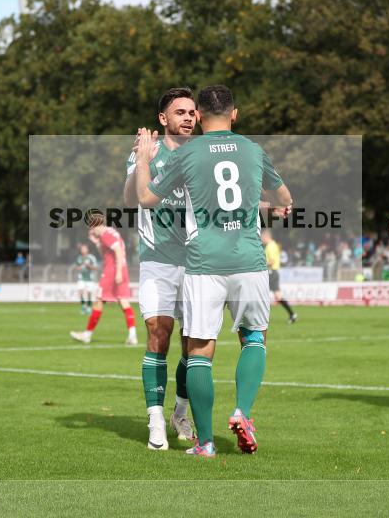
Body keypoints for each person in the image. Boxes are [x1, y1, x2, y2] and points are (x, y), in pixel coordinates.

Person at [135, 84, 292, 458]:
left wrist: (143, 161)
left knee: (199, 350)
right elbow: (285, 200)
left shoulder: (188, 154)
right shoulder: (253, 151)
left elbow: (145, 199)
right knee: (254, 337)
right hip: (249, 260)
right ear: (234, 114)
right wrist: (269, 205)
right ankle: (242, 412)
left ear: (200, 116)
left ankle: (205, 443)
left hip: (203, 263)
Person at [123, 87, 197, 450]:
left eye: (192, 112)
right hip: (156, 261)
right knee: (159, 333)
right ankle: (155, 420)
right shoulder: (147, 152)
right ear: (163, 119)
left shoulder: (203, 156)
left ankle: (180, 412)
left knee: (192, 346)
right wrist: (141, 162)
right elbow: (129, 199)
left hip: (198, 263)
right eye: (180, 112)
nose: (188, 117)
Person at [70, 212, 138, 345]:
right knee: (123, 301)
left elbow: (118, 251)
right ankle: (132, 335)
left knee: (99, 300)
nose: (91, 230)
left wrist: (117, 272)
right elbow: (107, 253)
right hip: (122, 269)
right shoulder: (110, 233)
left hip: (112, 270)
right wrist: (97, 243)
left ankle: (87, 335)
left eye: (92, 226)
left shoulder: (105, 234)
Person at [261, 230, 297, 323]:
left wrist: (260, 265)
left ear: (266, 236)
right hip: (273, 272)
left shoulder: (271, 246)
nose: (261, 239)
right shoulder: (272, 245)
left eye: (262, 237)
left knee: (260, 294)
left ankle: (259, 318)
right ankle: (292, 315)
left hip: (271, 273)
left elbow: (272, 261)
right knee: (278, 296)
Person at [73, 244, 98, 315]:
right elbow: (76, 267)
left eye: (84, 248)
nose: (83, 250)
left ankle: (89, 307)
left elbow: (96, 267)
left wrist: (88, 266)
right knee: (80, 292)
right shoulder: (79, 258)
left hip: (90, 278)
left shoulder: (91, 257)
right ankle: (83, 306)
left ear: (87, 249)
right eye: (82, 249)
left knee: (89, 293)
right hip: (81, 278)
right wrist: (80, 267)